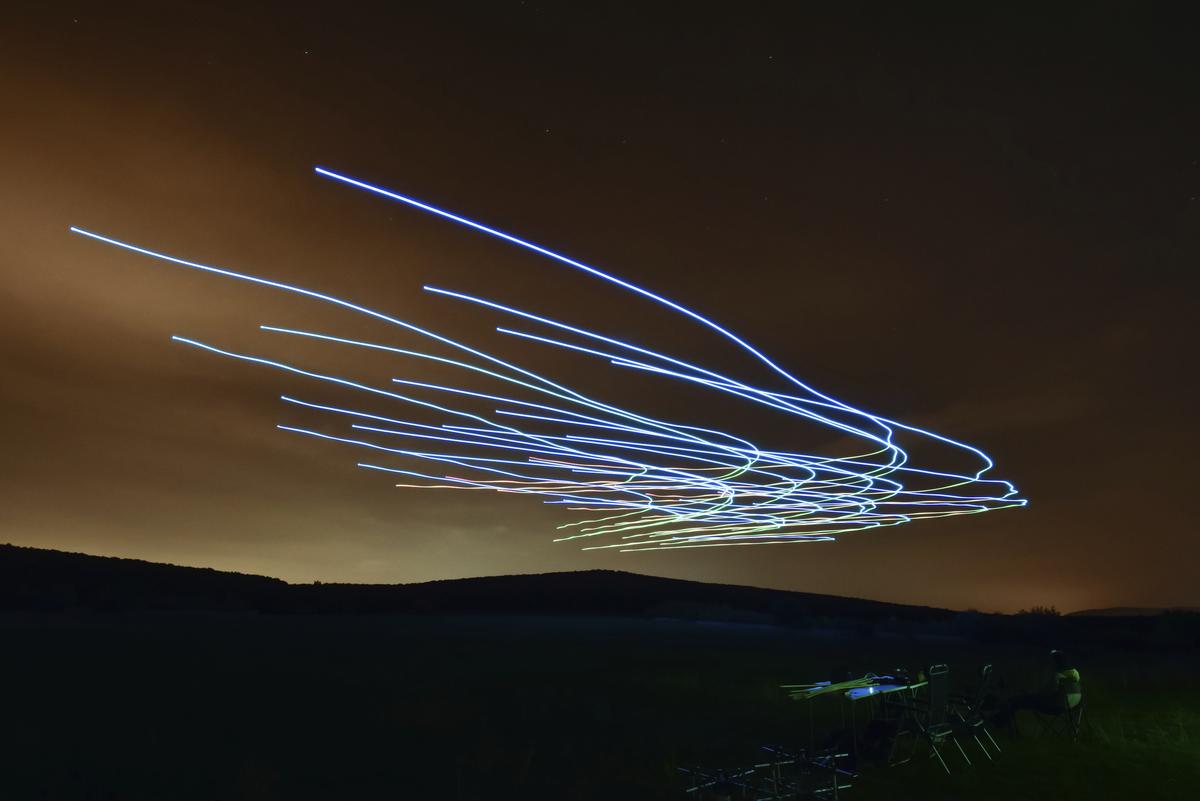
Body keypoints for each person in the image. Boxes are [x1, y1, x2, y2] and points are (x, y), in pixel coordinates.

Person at [1001, 650, 1082, 733]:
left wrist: (1032, 694)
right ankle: (1000, 721)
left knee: (1014, 702)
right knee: (1022, 699)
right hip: (1073, 706)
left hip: (1055, 706)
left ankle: (1006, 729)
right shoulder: (1074, 674)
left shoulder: (1058, 676)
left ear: (1055, 662)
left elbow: (1047, 693)